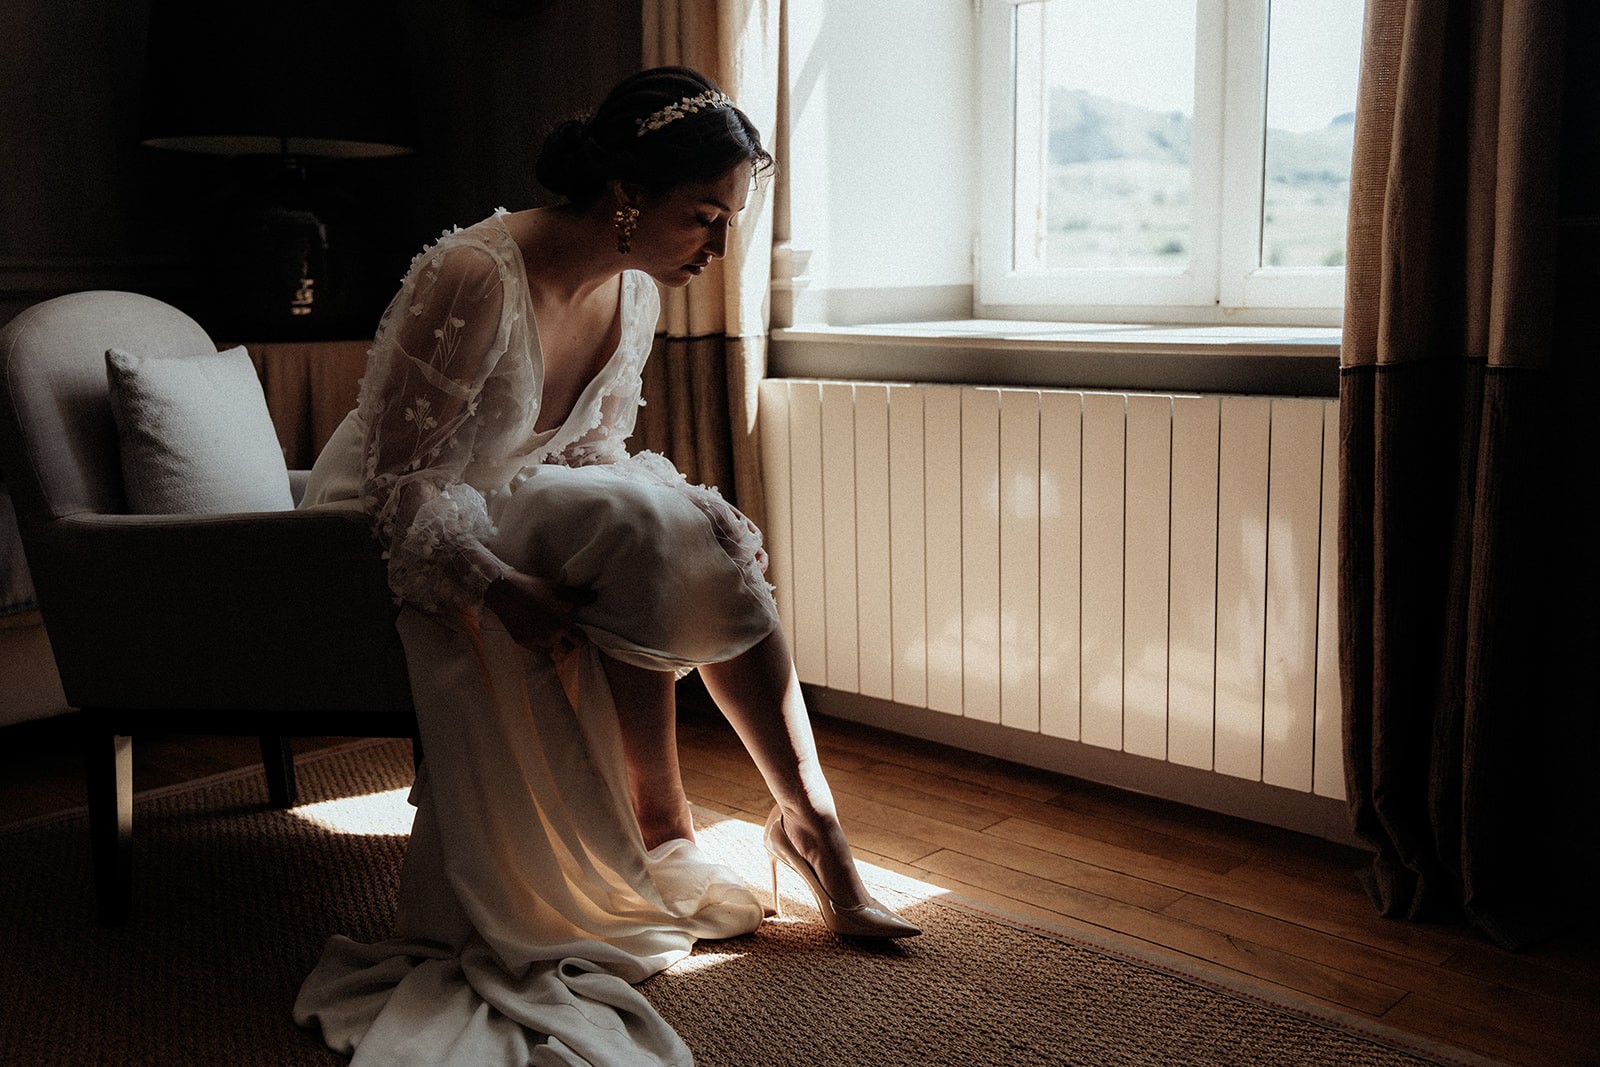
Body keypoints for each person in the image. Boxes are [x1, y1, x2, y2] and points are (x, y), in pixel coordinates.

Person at [291, 66, 917, 1066]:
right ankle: (666, 818)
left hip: (525, 505)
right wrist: (501, 586)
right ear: (626, 197)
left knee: (685, 525)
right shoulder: (470, 272)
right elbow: (400, 487)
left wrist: (681, 513)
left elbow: (593, 458)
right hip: (389, 527)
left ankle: (812, 824)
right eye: (702, 216)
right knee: (643, 519)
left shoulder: (634, 293)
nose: (717, 248)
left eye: (730, 219)